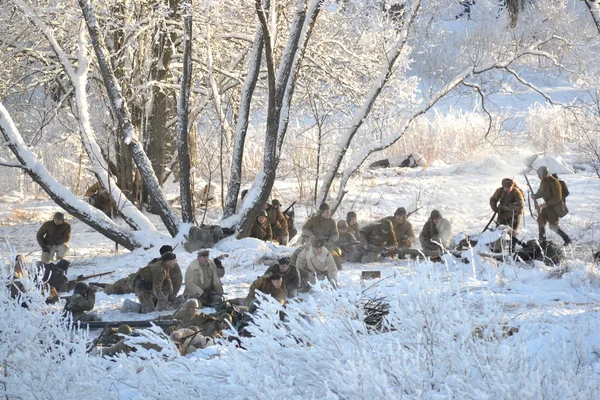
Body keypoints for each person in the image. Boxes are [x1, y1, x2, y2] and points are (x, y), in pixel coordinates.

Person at [104, 245, 184, 296]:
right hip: (146, 283)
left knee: (123, 285)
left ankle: (106, 289)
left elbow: (177, 280)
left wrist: (172, 295)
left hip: (148, 286)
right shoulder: (160, 263)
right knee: (124, 282)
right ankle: (106, 286)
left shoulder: (169, 266)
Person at [532, 166, 571, 245]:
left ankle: (567, 239)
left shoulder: (554, 182)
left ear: (544, 174)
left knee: (553, 226)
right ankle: (542, 241)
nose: (539, 176)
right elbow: (541, 192)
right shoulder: (543, 181)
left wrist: (546, 204)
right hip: (547, 206)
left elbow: (557, 198)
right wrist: (535, 196)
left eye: (540, 175)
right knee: (541, 221)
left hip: (555, 207)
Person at [301, 203, 342, 269]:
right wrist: (311, 235)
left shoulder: (332, 221)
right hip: (314, 243)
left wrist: (330, 242)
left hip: (326, 244)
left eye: (329, 212)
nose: (328, 214)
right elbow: (304, 228)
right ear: (321, 212)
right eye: (326, 212)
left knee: (337, 264)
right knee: (302, 256)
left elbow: (335, 234)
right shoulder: (313, 219)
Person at [490, 178, 524, 250]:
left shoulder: (516, 192)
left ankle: (512, 249)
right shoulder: (499, 191)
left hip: (515, 214)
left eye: (509, 187)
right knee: (499, 231)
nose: (508, 189)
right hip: (503, 214)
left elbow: (520, 205)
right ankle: (498, 248)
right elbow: (493, 199)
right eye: (506, 187)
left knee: (513, 232)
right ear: (503, 186)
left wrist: (506, 207)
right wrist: (495, 208)